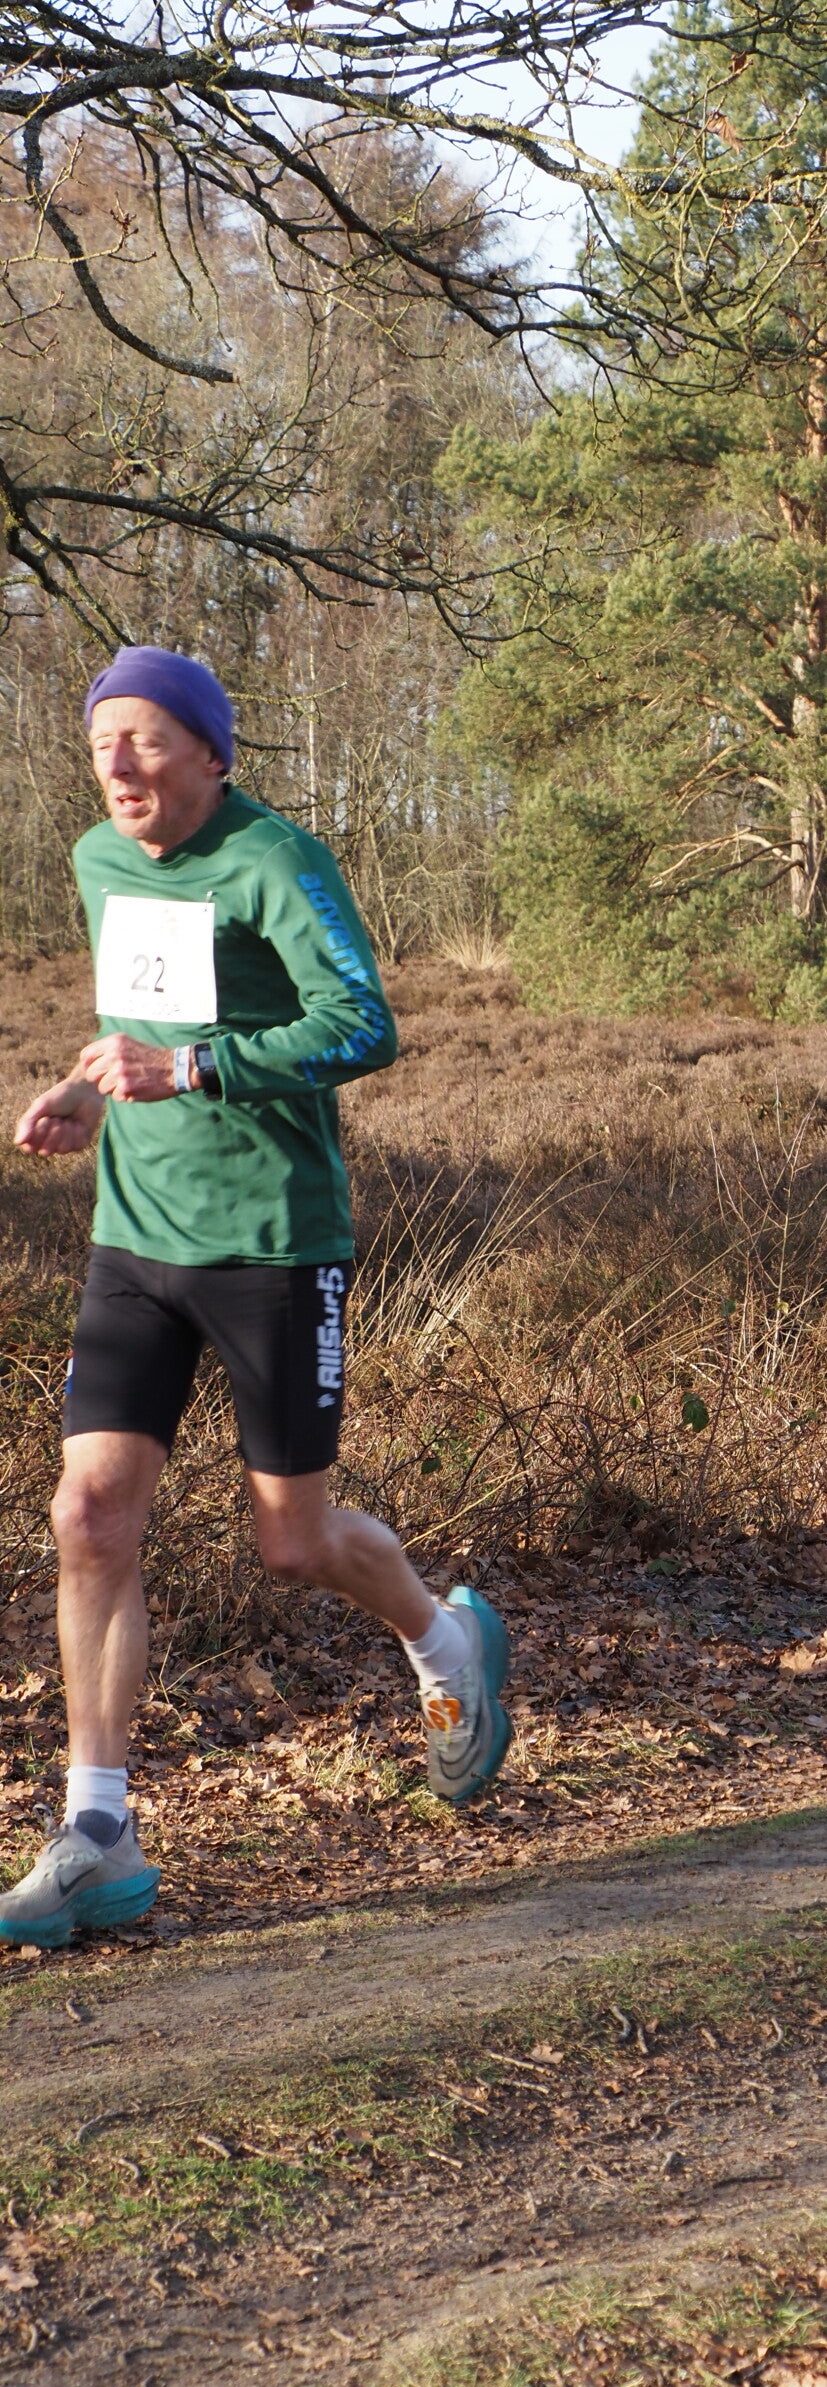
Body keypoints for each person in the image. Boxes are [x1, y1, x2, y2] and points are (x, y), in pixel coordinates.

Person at [0, 647, 512, 1951]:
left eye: (146, 738)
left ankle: (446, 1642)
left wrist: (192, 1072)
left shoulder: (276, 860)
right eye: (102, 741)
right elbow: (142, 1016)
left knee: (294, 1543)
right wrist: (90, 1092)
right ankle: (98, 1836)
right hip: (135, 1241)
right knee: (89, 1514)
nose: (118, 763)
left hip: (276, 1246)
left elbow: (364, 1025)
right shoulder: (98, 861)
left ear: (211, 755)